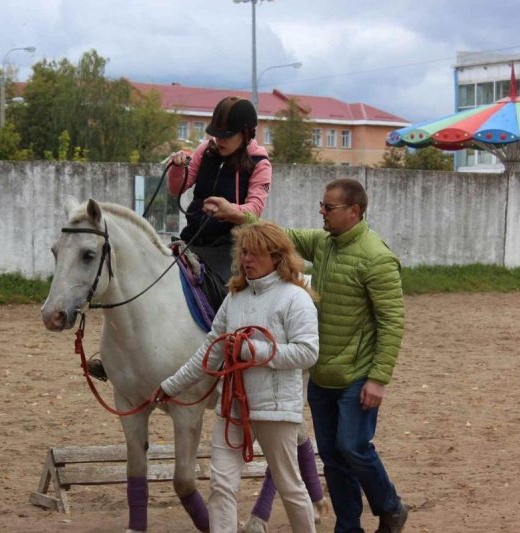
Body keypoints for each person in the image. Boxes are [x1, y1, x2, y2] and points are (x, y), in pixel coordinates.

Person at [204, 178, 409, 533]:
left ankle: (390, 506)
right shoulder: (326, 243)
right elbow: (276, 237)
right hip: (320, 371)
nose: (321, 212)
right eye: (322, 205)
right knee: (331, 455)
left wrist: (378, 378)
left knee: (352, 446)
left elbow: (392, 321)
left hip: (357, 373)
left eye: (328, 207)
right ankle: (348, 527)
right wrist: (235, 214)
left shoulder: (378, 257)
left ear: (354, 211)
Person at [154, 220, 320, 533]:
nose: (246, 259)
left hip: (276, 410)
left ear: (276, 256)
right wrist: (169, 386)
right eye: (244, 252)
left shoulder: (296, 299)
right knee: (221, 486)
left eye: (254, 253)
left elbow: (307, 353)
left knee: (290, 487)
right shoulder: (234, 298)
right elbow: (209, 352)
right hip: (233, 406)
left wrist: (250, 352)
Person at [168, 96, 272, 287]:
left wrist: (229, 210)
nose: (219, 140)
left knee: (222, 293)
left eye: (227, 135)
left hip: (230, 248)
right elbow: (176, 189)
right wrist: (176, 169)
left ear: (246, 133)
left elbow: (254, 210)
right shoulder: (204, 151)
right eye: (217, 134)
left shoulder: (260, 164)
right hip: (191, 238)